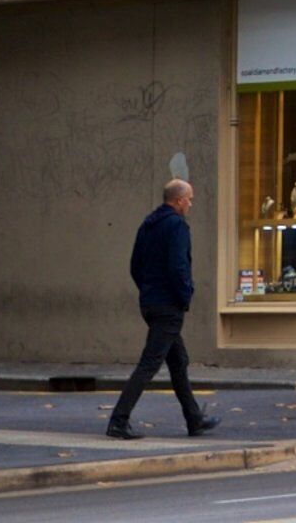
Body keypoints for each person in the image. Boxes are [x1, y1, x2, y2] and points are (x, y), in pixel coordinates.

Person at [109, 178, 212, 439]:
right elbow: (178, 266)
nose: (191, 203)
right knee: (150, 363)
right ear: (177, 200)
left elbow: (135, 265)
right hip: (168, 305)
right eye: (189, 198)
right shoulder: (176, 225)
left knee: (178, 361)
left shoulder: (148, 224)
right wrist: (185, 295)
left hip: (151, 302)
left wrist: (147, 289)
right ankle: (118, 421)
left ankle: (194, 419)